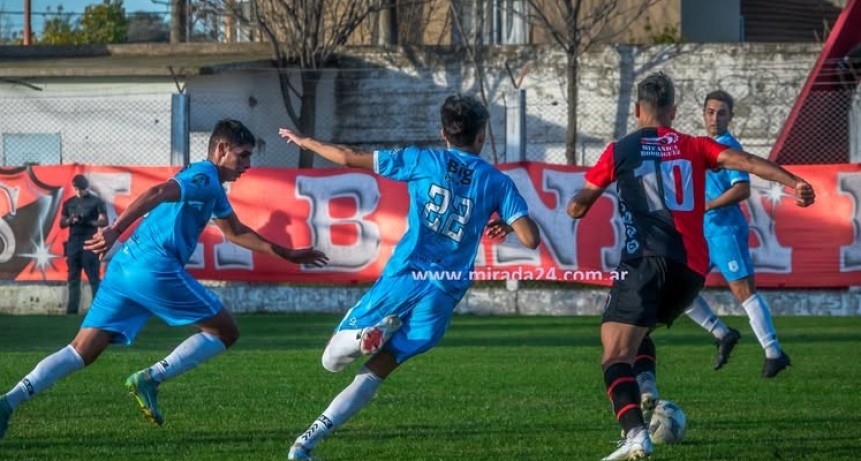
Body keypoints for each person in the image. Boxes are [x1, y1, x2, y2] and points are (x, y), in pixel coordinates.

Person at [0, 119, 328, 439]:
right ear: (222, 149)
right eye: (243, 155)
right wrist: (114, 229)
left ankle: (8, 402)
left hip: (124, 268)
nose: (248, 164)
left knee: (81, 350)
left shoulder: (212, 187)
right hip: (154, 268)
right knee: (225, 331)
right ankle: (151, 378)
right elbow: (157, 191)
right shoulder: (205, 176)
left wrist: (287, 254)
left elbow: (236, 231)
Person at [277, 94, 541, 461]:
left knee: (331, 361)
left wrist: (306, 142)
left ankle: (362, 338)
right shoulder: (496, 182)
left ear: (443, 133)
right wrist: (506, 227)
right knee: (377, 371)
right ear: (481, 136)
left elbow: (349, 156)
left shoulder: (422, 160)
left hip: (405, 276)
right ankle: (306, 445)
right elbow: (531, 237)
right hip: (443, 293)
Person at [566, 73, 815, 461]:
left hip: (644, 261)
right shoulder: (694, 145)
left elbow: (578, 207)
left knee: (614, 355)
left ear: (637, 111)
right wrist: (793, 181)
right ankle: (647, 388)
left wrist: (582, 201)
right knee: (638, 328)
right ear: (674, 111)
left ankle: (634, 434)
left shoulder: (621, 149)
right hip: (690, 272)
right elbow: (744, 161)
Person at [682, 90, 790, 378]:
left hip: (725, 231)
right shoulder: (701, 145)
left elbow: (742, 188)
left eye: (721, 113)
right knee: (680, 290)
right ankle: (722, 333)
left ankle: (773, 352)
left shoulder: (729, 148)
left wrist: (708, 205)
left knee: (744, 292)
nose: (715, 118)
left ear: (731, 116)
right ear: (703, 114)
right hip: (702, 233)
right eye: (710, 112)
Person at [60, 174, 108, 314]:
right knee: (73, 277)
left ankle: (97, 310)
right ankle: (72, 309)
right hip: (74, 242)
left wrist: (88, 221)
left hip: (89, 241)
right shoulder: (69, 203)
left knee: (93, 277)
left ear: (86, 188)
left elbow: (104, 221)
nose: (79, 192)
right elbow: (62, 223)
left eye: (82, 189)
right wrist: (71, 220)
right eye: (77, 189)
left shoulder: (96, 201)